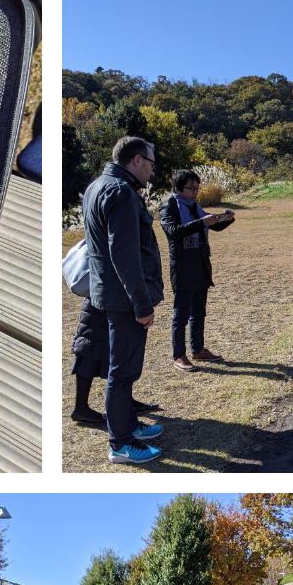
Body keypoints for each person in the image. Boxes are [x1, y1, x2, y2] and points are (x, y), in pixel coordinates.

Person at [82, 135, 165, 465]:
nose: (152, 172)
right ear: (136, 160)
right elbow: (124, 254)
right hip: (124, 299)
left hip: (109, 293)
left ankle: (129, 426)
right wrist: (142, 305)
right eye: (151, 164)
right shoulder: (121, 192)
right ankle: (120, 443)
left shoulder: (97, 186)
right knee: (123, 371)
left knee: (123, 369)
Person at [159, 168, 234, 372]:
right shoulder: (169, 208)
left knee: (199, 312)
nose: (194, 192)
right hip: (182, 266)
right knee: (181, 314)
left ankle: (198, 349)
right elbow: (174, 232)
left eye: (197, 188)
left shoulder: (195, 206)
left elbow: (208, 226)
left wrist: (224, 219)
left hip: (200, 264)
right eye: (190, 188)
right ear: (177, 188)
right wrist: (201, 221)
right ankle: (179, 355)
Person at [67, 295, 160, 428]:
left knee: (119, 351)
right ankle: (81, 409)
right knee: (89, 349)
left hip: (109, 299)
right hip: (99, 299)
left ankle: (126, 401)